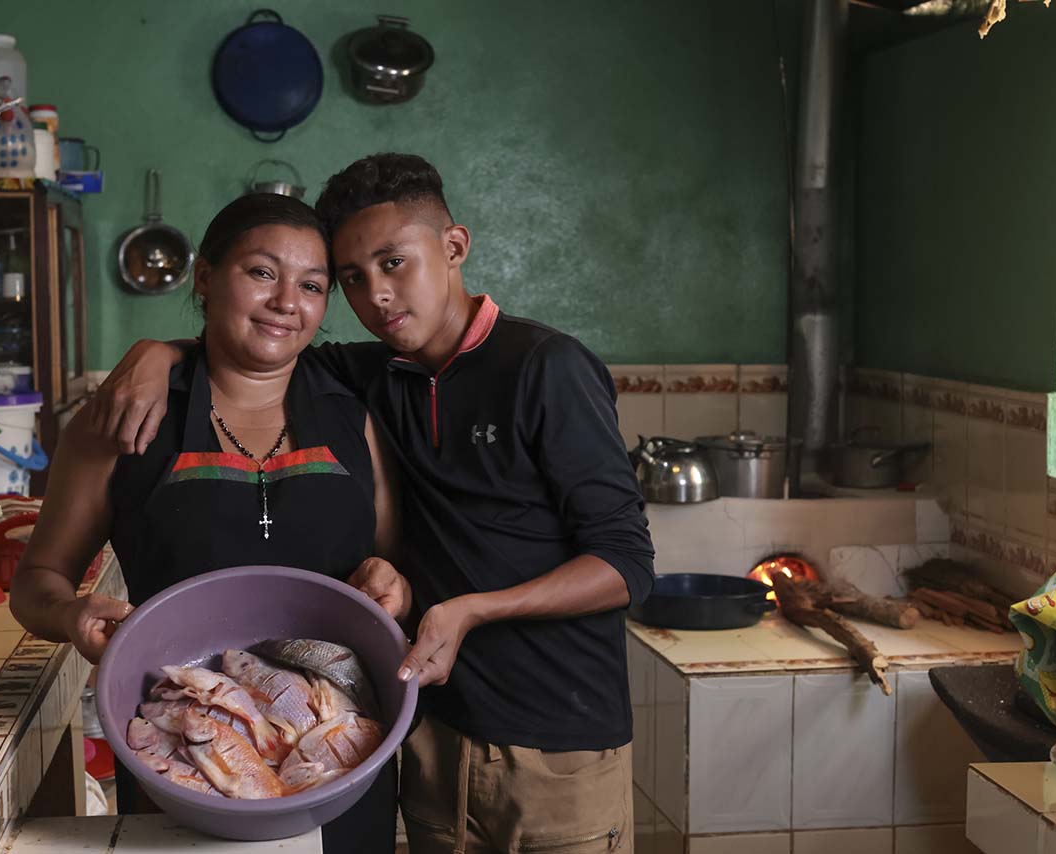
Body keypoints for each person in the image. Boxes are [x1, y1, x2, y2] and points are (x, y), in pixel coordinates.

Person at [94, 154, 655, 853]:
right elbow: (253, 341)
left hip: (551, 742)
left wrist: (477, 609)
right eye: (353, 279)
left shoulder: (546, 368)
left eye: (394, 264)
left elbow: (626, 565)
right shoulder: (370, 371)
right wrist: (157, 351)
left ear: (454, 248)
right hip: (425, 733)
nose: (377, 296)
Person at [9, 193, 400, 853]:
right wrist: (71, 616)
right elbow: (36, 582)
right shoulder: (125, 420)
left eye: (311, 285)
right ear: (206, 277)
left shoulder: (353, 418)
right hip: (182, 749)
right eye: (261, 272)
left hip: (334, 754)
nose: (286, 300)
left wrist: (393, 580)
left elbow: (395, 566)